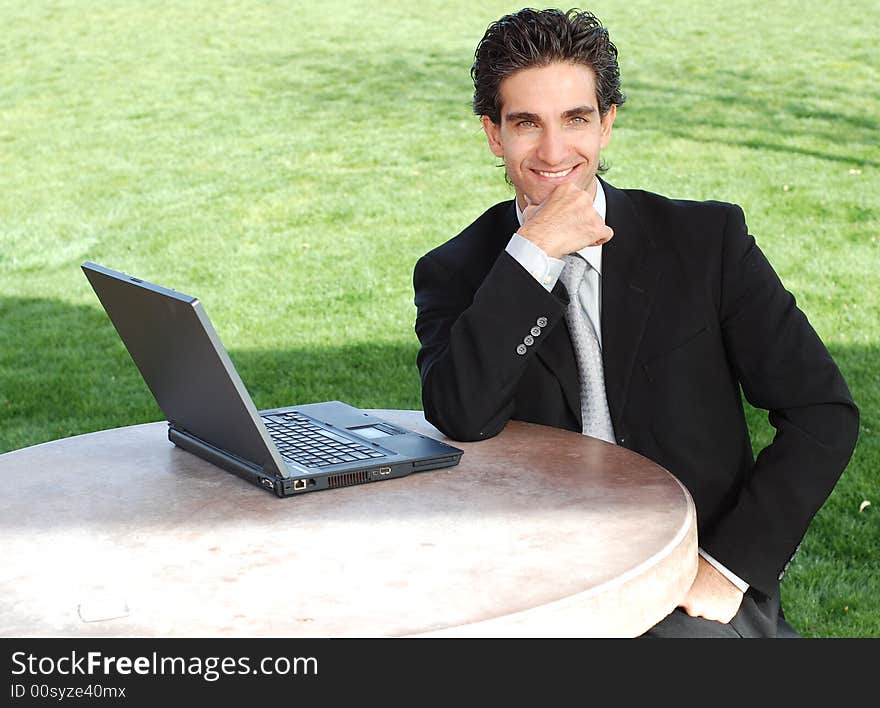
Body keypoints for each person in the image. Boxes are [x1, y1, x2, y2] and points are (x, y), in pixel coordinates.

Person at [412, 8, 859, 637]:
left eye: (576, 119)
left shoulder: (706, 242)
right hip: (544, 586)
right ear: (493, 133)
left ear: (607, 122)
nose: (553, 150)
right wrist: (533, 256)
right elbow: (462, 413)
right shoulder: (456, 271)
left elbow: (822, 412)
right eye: (525, 124)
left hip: (690, 581)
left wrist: (727, 568)